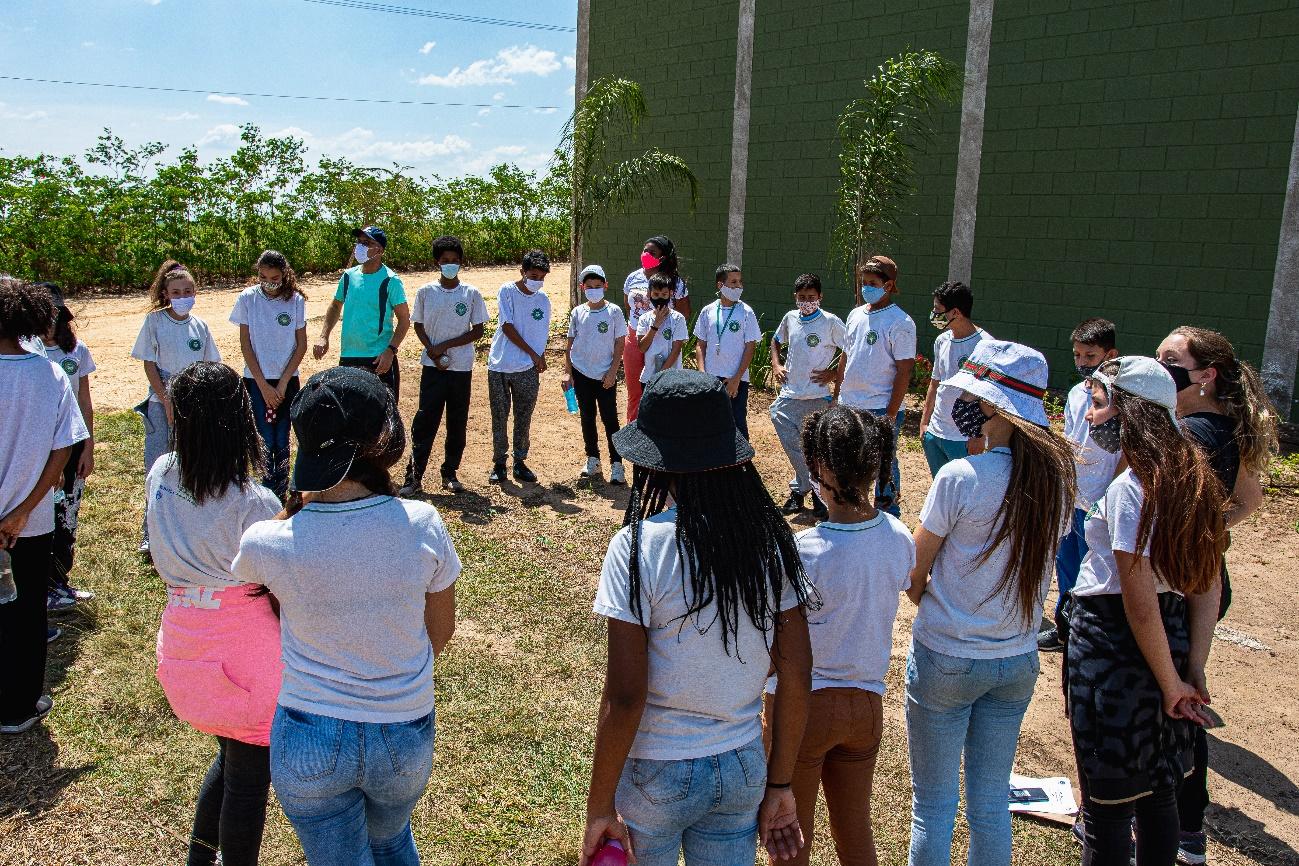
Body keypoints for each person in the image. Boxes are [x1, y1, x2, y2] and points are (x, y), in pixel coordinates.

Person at [579, 369, 814, 866]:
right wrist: (781, 782)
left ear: (655, 462)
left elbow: (625, 696)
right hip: (742, 767)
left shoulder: (637, 547)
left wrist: (600, 806)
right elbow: (796, 672)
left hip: (655, 771)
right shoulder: (771, 543)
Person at [232, 366, 459, 865]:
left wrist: (303, 493)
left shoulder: (266, 543)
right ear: (383, 441)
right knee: (393, 841)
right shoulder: (422, 524)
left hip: (308, 733)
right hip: (404, 730)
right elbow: (440, 632)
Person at [905, 340, 1076, 866]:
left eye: (979, 400)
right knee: (989, 803)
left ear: (997, 409)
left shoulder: (960, 478)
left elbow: (916, 569)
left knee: (932, 807)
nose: (971, 409)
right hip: (1015, 660)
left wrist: (930, 601)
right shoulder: (1058, 484)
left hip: (948, 654)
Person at [1068, 356, 1226, 866]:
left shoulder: (1131, 488)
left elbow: (1137, 604)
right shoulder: (1194, 478)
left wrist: (1168, 681)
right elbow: (1207, 583)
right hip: (1172, 645)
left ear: (1128, 412)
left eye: (1097, 405)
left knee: (1107, 809)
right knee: (1159, 791)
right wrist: (1189, 669)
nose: (1090, 418)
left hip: (1116, 653)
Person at [147, 361, 284, 866]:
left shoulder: (161, 472)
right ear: (241, 417)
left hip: (183, 641)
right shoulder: (255, 503)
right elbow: (278, 584)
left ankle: (199, 857)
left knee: (230, 759)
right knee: (248, 781)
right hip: (247, 655)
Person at [766, 404, 913, 866]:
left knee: (789, 839)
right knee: (855, 835)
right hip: (866, 706)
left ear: (819, 467)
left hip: (803, 711)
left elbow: (774, 642)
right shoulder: (898, 535)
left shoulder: (802, 550)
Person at [1155, 326, 1278, 865]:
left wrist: (1189, 540)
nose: (1160, 365)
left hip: (1181, 586)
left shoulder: (1190, 435)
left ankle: (1179, 823)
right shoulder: (1230, 428)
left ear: (1205, 375)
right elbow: (1248, 500)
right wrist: (1212, 533)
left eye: (1171, 359)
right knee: (1181, 687)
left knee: (1171, 695)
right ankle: (1187, 822)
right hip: (1206, 576)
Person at [0, 276, 89, 734]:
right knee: (26, 609)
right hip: (29, 523)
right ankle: (18, 706)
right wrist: (22, 509)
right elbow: (63, 450)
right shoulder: (48, 372)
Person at [1038, 318, 1120, 653]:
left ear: (1109, 354)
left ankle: (1090, 634)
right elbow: (1072, 440)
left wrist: (1111, 493)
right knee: (1066, 562)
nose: (1083, 363)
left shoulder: (1122, 401)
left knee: (1094, 570)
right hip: (1072, 494)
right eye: (1078, 355)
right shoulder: (1075, 394)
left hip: (1100, 498)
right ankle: (1064, 627)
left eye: (1090, 356)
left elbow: (1125, 453)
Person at [132, 260, 221, 553]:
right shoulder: (155, 321)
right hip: (162, 401)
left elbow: (210, 365)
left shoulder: (200, 326)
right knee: (157, 465)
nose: (183, 296)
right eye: (176, 292)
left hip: (192, 403)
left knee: (190, 464)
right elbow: (149, 364)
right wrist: (167, 400)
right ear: (166, 293)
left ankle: (186, 529)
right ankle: (151, 532)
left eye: (187, 291)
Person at [400, 235, 488, 496]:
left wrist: (446, 346)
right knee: (425, 421)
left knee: (457, 423)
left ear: (461, 263)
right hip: (433, 368)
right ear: (437, 262)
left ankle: (450, 473)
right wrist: (433, 352)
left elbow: (478, 330)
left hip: (461, 369)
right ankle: (414, 477)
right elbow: (418, 325)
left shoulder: (470, 294)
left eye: (455, 261)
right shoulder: (426, 292)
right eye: (445, 260)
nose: (450, 264)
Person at [832, 256, 915, 517]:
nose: (866, 288)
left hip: (879, 407)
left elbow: (904, 370)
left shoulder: (901, 322)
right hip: (849, 403)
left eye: (872, 283)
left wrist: (891, 412)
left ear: (888, 286)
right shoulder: (855, 315)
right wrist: (837, 395)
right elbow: (846, 355)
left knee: (883, 463)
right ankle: (854, 508)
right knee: (849, 459)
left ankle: (889, 511)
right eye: (863, 282)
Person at [38, 283, 97, 611]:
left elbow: (84, 401)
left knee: (68, 519)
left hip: (73, 448)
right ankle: (40, 586)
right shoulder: (29, 353)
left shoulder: (76, 350)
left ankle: (60, 582)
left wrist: (87, 446)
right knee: (42, 521)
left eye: (55, 313)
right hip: (43, 451)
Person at [230, 250, 308, 500]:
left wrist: (283, 382)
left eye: (274, 277)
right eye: (263, 276)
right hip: (256, 381)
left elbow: (301, 345)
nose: (268, 282)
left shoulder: (295, 300)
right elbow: (245, 345)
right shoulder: (247, 299)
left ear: (284, 275)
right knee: (263, 436)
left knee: (282, 437)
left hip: (287, 381)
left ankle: (281, 491)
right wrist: (263, 385)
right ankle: (265, 492)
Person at [769, 273, 846, 522]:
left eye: (811, 297)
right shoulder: (790, 318)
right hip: (790, 394)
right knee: (793, 443)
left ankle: (811, 494)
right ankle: (808, 487)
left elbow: (851, 349)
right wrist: (776, 364)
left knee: (816, 448)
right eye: (802, 297)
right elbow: (775, 340)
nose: (806, 302)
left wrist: (834, 373)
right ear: (795, 298)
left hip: (818, 396)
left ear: (820, 297)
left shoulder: (831, 322)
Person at [312, 226, 410, 398]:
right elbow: (335, 306)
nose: (360, 246)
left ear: (379, 249)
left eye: (367, 243)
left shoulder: (391, 280)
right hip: (349, 356)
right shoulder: (348, 276)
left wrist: (390, 351)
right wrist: (323, 335)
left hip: (378, 359)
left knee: (382, 416)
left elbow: (404, 319)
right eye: (359, 242)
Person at [487, 249, 553, 485]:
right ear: (522, 272)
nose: (538, 281)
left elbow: (540, 332)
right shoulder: (507, 291)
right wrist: (534, 354)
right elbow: (507, 326)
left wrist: (539, 356)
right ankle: (499, 463)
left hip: (528, 369)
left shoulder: (543, 300)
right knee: (500, 416)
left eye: (542, 277)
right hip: (501, 366)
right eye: (533, 275)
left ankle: (520, 461)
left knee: (524, 416)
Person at [917, 281, 990, 477]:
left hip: (963, 439)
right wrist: (925, 423)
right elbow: (935, 383)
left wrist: (979, 436)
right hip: (936, 434)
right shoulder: (941, 341)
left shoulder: (985, 346)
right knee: (942, 489)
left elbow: (989, 396)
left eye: (937, 310)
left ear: (956, 312)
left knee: (964, 495)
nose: (933, 314)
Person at [563, 264, 627, 484]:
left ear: (605, 286)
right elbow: (570, 342)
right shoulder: (578, 312)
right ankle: (593, 459)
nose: (593, 289)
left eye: (597, 285)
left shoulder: (614, 312)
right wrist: (567, 372)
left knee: (610, 419)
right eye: (589, 286)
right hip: (582, 373)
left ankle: (617, 464)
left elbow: (620, 343)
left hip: (605, 376)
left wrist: (612, 372)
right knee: (587, 417)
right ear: (583, 288)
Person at [622, 236, 690, 421]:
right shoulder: (632, 278)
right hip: (636, 338)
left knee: (663, 390)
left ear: (663, 257)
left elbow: (684, 312)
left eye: (652, 253)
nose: (646, 255)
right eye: (644, 250)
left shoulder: (675, 283)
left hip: (664, 341)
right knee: (635, 391)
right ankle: (634, 433)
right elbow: (629, 308)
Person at [693, 263, 762, 439]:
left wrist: (736, 379)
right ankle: (714, 463)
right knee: (710, 422)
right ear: (720, 285)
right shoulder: (707, 311)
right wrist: (703, 374)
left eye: (740, 282)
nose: (738, 286)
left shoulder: (746, 312)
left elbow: (750, 347)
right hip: (710, 378)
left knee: (737, 423)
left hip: (735, 380)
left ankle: (742, 465)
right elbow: (700, 344)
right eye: (733, 282)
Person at [634, 275, 687, 389]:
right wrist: (655, 326)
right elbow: (642, 347)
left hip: (672, 379)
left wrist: (660, 376)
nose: (660, 298)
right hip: (649, 378)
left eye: (664, 294)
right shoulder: (644, 319)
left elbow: (676, 350)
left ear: (671, 294)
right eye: (656, 294)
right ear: (649, 294)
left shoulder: (678, 318)